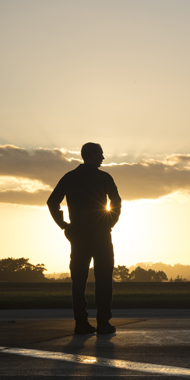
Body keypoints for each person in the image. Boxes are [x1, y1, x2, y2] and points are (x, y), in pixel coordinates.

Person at [47, 142, 122, 334]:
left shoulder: (70, 177)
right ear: (92, 155)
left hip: (79, 236)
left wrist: (64, 225)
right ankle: (103, 322)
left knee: (78, 281)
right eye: (100, 154)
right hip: (101, 235)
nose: (103, 158)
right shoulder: (104, 177)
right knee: (104, 279)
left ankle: (80, 322)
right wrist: (109, 222)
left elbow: (52, 201)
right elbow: (116, 201)